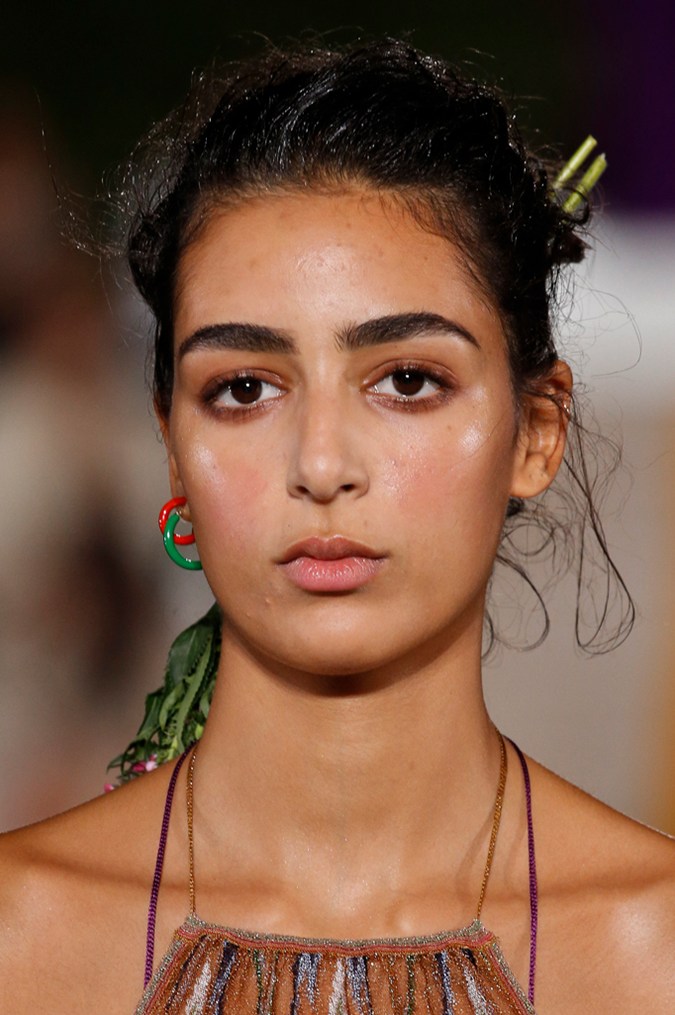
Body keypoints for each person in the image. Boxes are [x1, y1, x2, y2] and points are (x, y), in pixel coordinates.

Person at [0, 38, 673, 1014]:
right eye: (243, 389)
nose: (321, 465)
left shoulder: (651, 950)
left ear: (535, 431)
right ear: (172, 446)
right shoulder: (22, 938)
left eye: (407, 380)